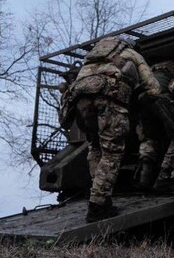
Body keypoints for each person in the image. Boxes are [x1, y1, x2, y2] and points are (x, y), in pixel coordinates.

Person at [59, 36, 160, 222]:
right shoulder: (132, 54)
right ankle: (97, 206)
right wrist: (136, 104)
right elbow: (154, 89)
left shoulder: (90, 59)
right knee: (111, 152)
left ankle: (99, 197)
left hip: (81, 104)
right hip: (109, 100)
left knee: (95, 148)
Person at [137, 60, 174, 191]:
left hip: (142, 102)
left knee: (151, 138)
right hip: (160, 99)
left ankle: (144, 178)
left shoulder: (150, 72)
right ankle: (164, 179)